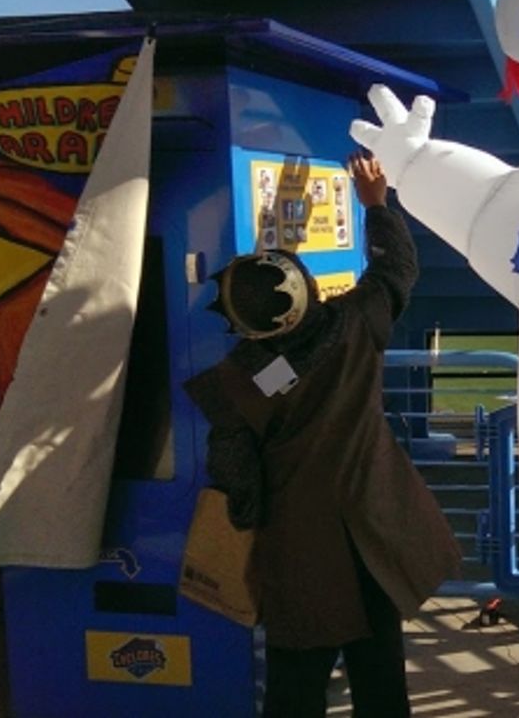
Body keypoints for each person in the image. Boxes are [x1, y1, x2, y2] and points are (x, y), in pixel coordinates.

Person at [185, 152, 461, 717]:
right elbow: (397, 270)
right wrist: (376, 204)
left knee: (295, 686)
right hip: (374, 533)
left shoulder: (238, 382)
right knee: (380, 677)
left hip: (300, 553)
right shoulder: (356, 325)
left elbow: (236, 482)